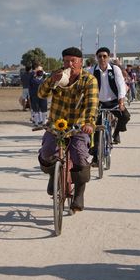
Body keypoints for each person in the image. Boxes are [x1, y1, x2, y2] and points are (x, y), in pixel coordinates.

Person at [37, 47, 98, 212]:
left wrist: (89, 123)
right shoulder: (57, 76)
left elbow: (92, 104)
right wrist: (52, 80)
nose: (69, 64)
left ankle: (79, 192)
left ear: (80, 63)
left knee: (80, 155)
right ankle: (53, 174)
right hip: (56, 125)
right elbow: (41, 94)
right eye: (66, 61)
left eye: (73, 61)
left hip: (78, 126)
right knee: (47, 151)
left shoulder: (89, 80)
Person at [90, 47, 130, 145]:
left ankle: (116, 132)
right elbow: (88, 87)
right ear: (97, 58)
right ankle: (96, 156)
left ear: (108, 57)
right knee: (97, 127)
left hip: (114, 101)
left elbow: (121, 85)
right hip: (98, 103)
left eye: (104, 56)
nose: (102, 58)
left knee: (125, 117)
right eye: (100, 56)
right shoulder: (92, 70)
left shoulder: (115, 69)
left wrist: (121, 103)